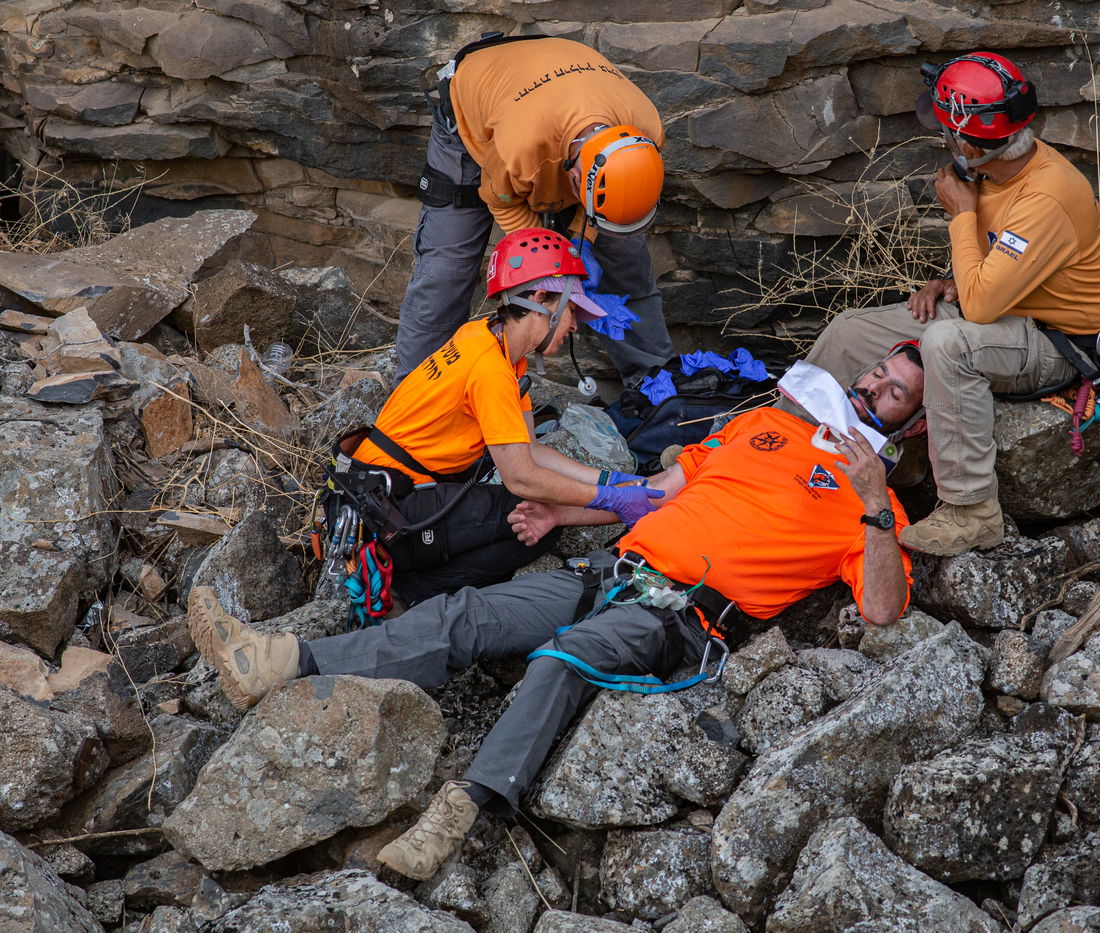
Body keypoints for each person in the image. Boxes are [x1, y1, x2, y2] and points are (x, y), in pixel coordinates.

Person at [187, 346, 927, 881]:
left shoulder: (876, 508)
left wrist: (869, 501)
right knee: (467, 614)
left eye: (894, 392)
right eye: (877, 371)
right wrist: (561, 516)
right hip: (611, 567)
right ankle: (280, 661)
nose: (873, 386)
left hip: (680, 614)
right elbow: (657, 491)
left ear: (909, 425)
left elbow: (886, 608)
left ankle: (460, 811)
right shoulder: (761, 427)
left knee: (560, 657)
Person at [798, 51, 1100, 557]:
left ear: (968, 139)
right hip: (1018, 309)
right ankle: (781, 437)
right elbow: (1003, 265)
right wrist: (951, 280)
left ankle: (971, 511)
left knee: (947, 341)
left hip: (1069, 342)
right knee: (851, 331)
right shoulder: (995, 170)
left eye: (948, 131)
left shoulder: (1044, 196)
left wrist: (961, 215)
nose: (945, 140)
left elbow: (980, 310)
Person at [332, 228, 663, 608]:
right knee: (532, 521)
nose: (575, 325)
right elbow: (521, 476)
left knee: (540, 516)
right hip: (385, 516)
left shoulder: (488, 340)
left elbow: (531, 450)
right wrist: (610, 501)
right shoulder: (491, 369)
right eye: (571, 309)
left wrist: (616, 480)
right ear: (540, 298)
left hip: (376, 496)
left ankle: (421, 583)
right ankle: (413, 594)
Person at [396, 32, 674, 385]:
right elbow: (499, 199)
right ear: (574, 177)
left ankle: (657, 389)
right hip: (478, 107)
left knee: (623, 256)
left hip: (559, 82)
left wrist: (583, 240)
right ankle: (415, 395)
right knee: (446, 270)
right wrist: (552, 263)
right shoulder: (522, 150)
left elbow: (605, 208)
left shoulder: (646, 131)